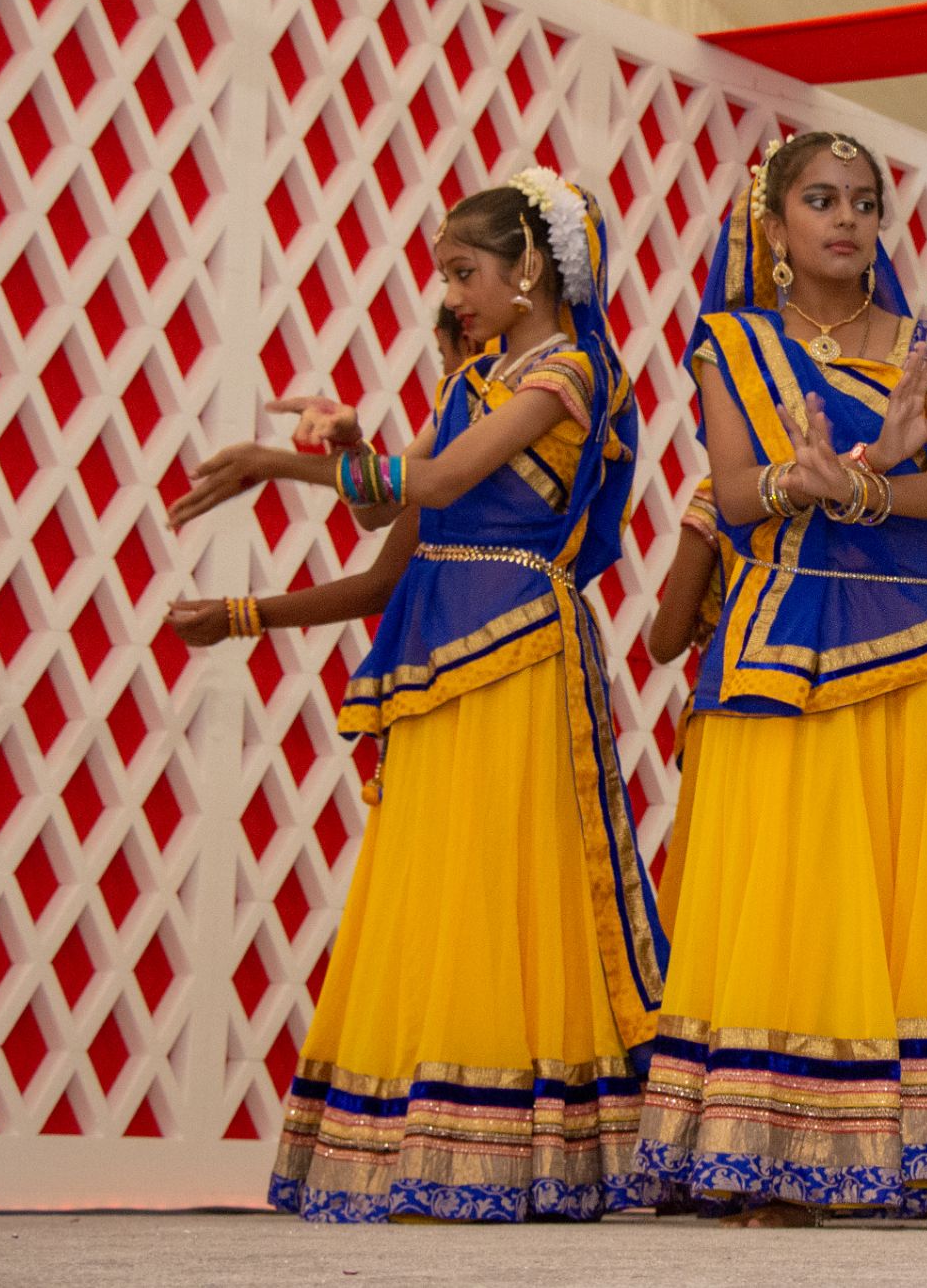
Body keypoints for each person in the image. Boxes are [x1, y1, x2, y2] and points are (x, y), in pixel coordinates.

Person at [165, 169, 667, 1222]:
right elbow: (388, 556)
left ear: (530, 266)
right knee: (439, 894)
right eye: (447, 276)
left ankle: (520, 1150)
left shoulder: (568, 375)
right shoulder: (470, 386)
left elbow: (432, 487)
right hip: (440, 660)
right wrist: (248, 609)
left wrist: (271, 461)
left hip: (523, 657)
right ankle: (431, 1151)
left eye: (464, 272)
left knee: (507, 895)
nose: (452, 297)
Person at [634, 131, 927, 1229]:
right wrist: (801, 476)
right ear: (774, 228)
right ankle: (773, 1157)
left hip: (907, 645)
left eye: (864, 202)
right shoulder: (732, 343)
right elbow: (733, 494)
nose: (846, 218)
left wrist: (873, 484)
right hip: (777, 648)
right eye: (821, 200)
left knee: (914, 893)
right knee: (790, 896)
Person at [643, 476, 729, 934]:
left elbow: (665, 640)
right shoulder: (859, 493)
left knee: (718, 906)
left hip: (728, 717)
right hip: (830, 712)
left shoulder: (722, 497)